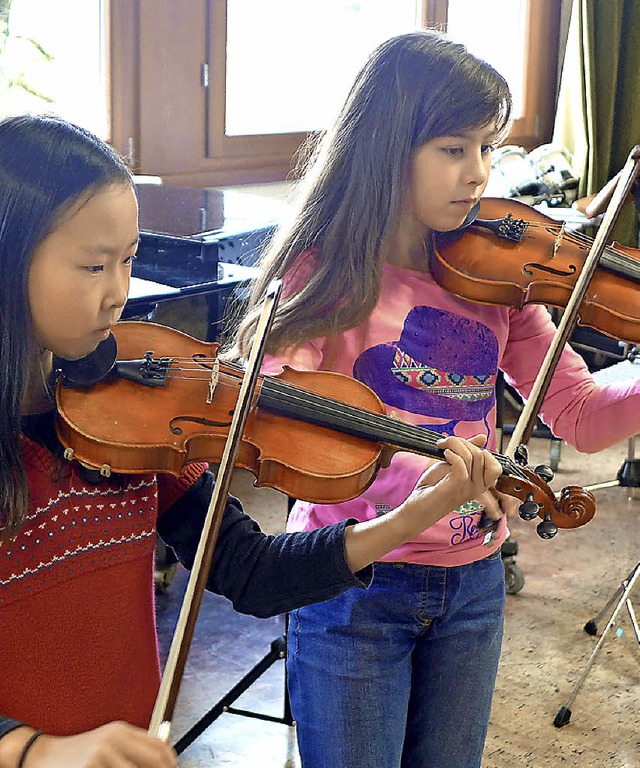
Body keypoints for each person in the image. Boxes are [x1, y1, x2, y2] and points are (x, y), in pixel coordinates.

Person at [0, 113, 509, 768]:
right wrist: (33, 751)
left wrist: (408, 519)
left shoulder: (130, 419)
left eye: (128, 262)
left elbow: (253, 572)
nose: (118, 295)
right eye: (93, 266)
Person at [230, 30, 640, 768]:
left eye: (488, 147)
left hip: (473, 584)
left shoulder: (499, 279)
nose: (479, 173)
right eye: (455, 148)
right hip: (353, 585)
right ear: (388, 146)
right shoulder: (324, 274)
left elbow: (578, 412)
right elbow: (280, 425)